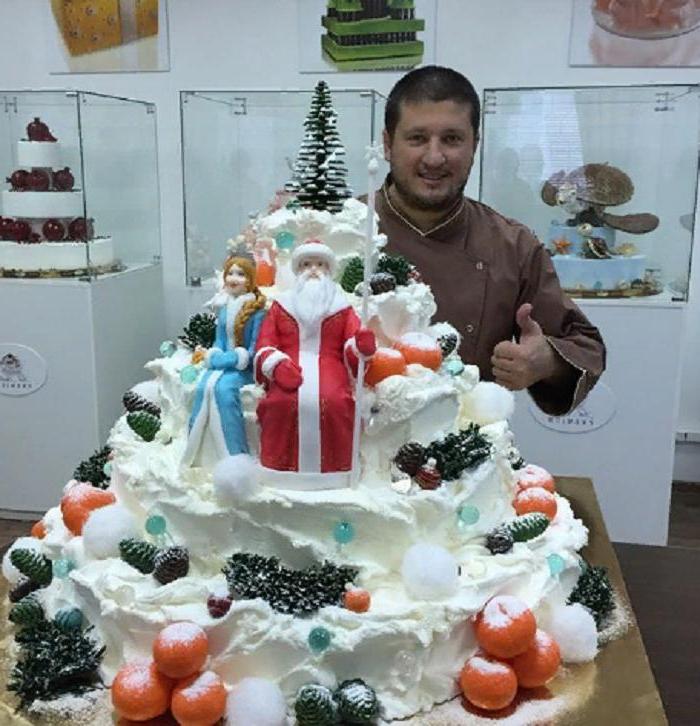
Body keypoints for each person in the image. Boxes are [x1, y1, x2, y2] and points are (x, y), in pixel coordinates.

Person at [376, 65, 605, 415]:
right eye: (417, 138)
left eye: (452, 139)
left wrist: (546, 360)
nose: (434, 157)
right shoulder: (338, 230)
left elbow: (584, 346)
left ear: (475, 145)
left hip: (465, 440)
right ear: (387, 144)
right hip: (348, 442)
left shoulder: (512, 245)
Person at [254, 240, 376, 487]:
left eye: (320, 264)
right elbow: (265, 342)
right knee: (280, 403)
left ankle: (336, 471)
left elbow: (352, 344)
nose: (313, 270)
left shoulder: (342, 306)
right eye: (307, 264)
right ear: (298, 270)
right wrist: (276, 365)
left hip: (330, 365)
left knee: (335, 401)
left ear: (328, 270)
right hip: (288, 365)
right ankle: (278, 469)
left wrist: (361, 347)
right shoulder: (281, 305)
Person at [183, 256, 266, 467]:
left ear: (250, 280)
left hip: (243, 369)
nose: (233, 278)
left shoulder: (257, 312)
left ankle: (236, 456)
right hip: (223, 364)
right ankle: (195, 452)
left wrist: (225, 360)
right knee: (203, 387)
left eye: (240, 274)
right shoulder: (225, 307)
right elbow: (219, 340)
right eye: (230, 273)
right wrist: (215, 355)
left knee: (224, 390)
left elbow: (253, 350)